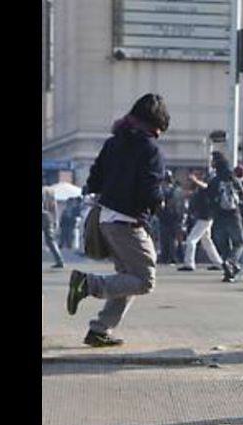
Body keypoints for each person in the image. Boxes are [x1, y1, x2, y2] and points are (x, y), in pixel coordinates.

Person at [66, 93, 170, 347]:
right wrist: (159, 202)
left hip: (106, 217)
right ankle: (87, 283)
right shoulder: (150, 149)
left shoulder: (113, 142)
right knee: (144, 280)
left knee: (128, 277)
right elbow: (150, 189)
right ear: (156, 124)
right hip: (127, 221)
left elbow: (95, 178)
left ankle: (100, 330)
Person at [177, 171, 231, 277]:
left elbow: (205, 186)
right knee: (206, 241)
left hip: (205, 217)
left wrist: (195, 180)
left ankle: (189, 263)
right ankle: (218, 262)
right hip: (205, 216)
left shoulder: (210, 188)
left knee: (191, 240)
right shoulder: (204, 189)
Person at [208, 151, 243, 282]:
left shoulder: (214, 180)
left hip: (219, 216)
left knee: (223, 245)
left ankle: (229, 270)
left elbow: (209, 197)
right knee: (239, 242)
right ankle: (231, 262)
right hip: (234, 215)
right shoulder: (233, 178)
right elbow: (242, 195)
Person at [157, 170, 186, 264]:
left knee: (166, 238)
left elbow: (161, 204)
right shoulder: (178, 190)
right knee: (174, 239)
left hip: (166, 218)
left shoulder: (164, 191)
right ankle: (174, 257)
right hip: (177, 218)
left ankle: (167, 257)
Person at [42, 186, 65, 268]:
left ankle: (59, 261)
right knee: (50, 240)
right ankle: (59, 260)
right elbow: (54, 206)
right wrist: (56, 220)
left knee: (50, 240)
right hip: (48, 216)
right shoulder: (50, 192)